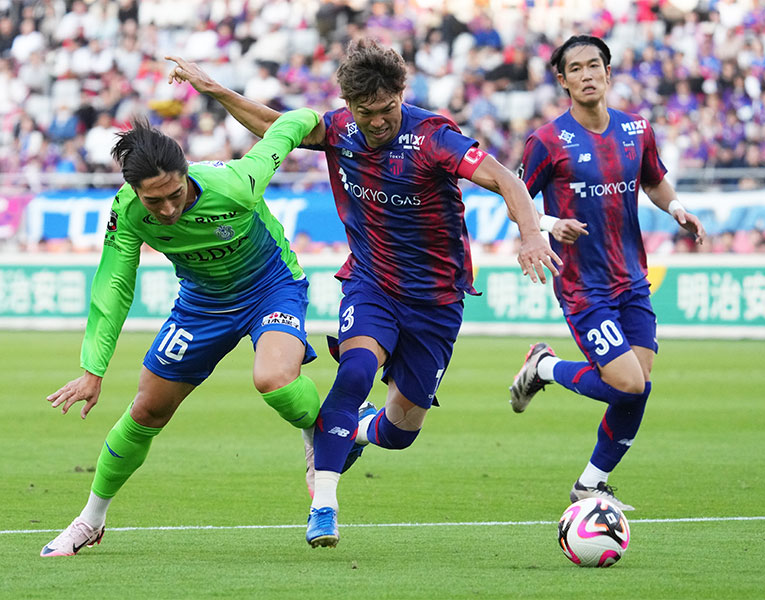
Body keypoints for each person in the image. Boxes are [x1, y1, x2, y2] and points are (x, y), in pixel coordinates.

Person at [165, 38, 562, 548]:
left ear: (403, 93)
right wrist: (215, 89)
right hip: (371, 280)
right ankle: (324, 505)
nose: (378, 122)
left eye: (388, 109)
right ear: (349, 105)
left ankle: (356, 429)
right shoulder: (337, 128)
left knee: (400, 432)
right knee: (354, 371)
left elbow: (505, 178)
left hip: (438, 298)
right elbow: (273, 124)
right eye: (366, 112)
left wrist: (532, 234)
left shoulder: (435, 137)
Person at [40, 107, 324, 556]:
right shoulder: (128, 212)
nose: (168, 208)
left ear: (185, 172)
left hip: (271, 288)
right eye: (155, 201)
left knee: (273, 380)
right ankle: (90, 520)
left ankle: (318, 437)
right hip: (202, 305)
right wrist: (93, 369)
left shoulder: (235, 182)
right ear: (135, 192)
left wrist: (313, 117)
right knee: (147, 410)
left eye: (174, 193)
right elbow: (114, 284)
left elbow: (286, 131)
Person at [509, 35, 706, 510]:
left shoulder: (637, 130)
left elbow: (655, 182)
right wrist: (553, 224)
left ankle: (590, 483)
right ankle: (544, 368)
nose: (586, 74)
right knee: (629, 383)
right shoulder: (547, 141)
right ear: (563, 81)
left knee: (640, 383)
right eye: (575, 69)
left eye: (594, 65)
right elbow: (515, 201)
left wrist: (676, 208)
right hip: (583, 285)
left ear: (609, 72)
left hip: (632, 278)